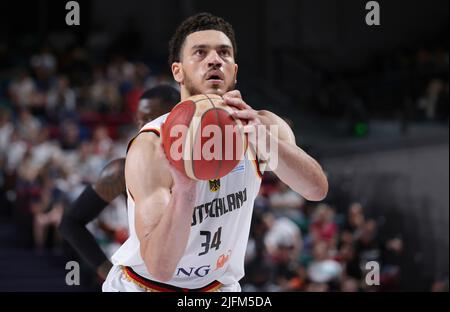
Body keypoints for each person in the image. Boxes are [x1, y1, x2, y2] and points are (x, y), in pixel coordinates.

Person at [102, 12, 328, 292]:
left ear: (234, 69)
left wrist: (264, 139)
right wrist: (185, 188)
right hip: (146, 286)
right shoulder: (152, 144)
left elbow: (316, 190)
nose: (214, 59)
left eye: (224, 53)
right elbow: (160, 266)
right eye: (200, 52)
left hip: (217, 287)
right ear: (178, 71)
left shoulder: (263, 125)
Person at [59, 85, 180, 280]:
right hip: (147, 278)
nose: (144, 127)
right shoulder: (122, 171)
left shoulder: (206, 167)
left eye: (152, 120)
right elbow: (70, 223)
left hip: (198, 277)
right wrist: (108, 273)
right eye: (141, 120)